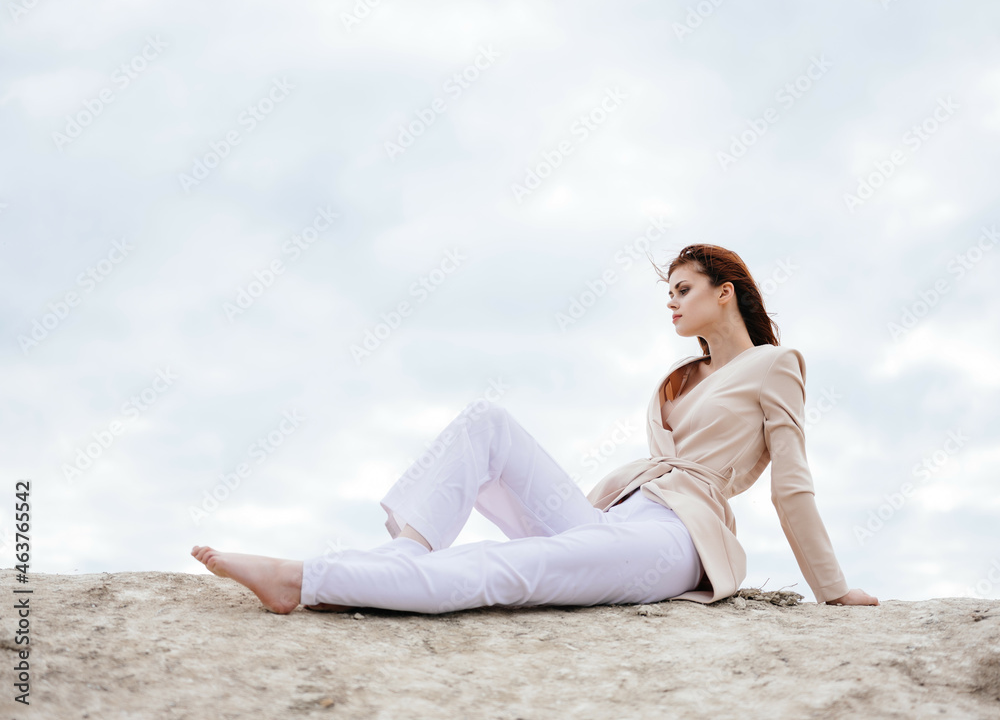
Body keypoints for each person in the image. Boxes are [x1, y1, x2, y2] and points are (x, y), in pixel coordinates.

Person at [191, 243, 879, 613]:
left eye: (683, 289)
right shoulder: (679, 378)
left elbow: (792, 486)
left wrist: (833, 589)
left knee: (504, 570)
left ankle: (303, 579)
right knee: (486, 421)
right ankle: (405, 553)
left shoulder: (776, 365)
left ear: (724, 291)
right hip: (610, 514)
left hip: (673, 539)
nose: (670, 303)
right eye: (666, 293)